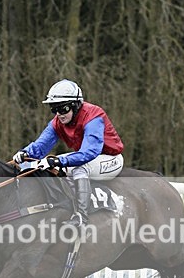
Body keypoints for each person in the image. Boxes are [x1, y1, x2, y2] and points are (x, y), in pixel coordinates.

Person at [12, 79, 124, 227]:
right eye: (54, 109)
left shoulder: (94, 116)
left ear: (76, 105)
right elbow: (40, 146)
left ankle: (82, 218)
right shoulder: (58, 122)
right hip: (88, 157)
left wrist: (60, 161)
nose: (59, 114)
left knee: (79, 168)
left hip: (110, 158)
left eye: (63, 109)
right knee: (43, 164)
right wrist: (24, 153)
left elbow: (89, 152)